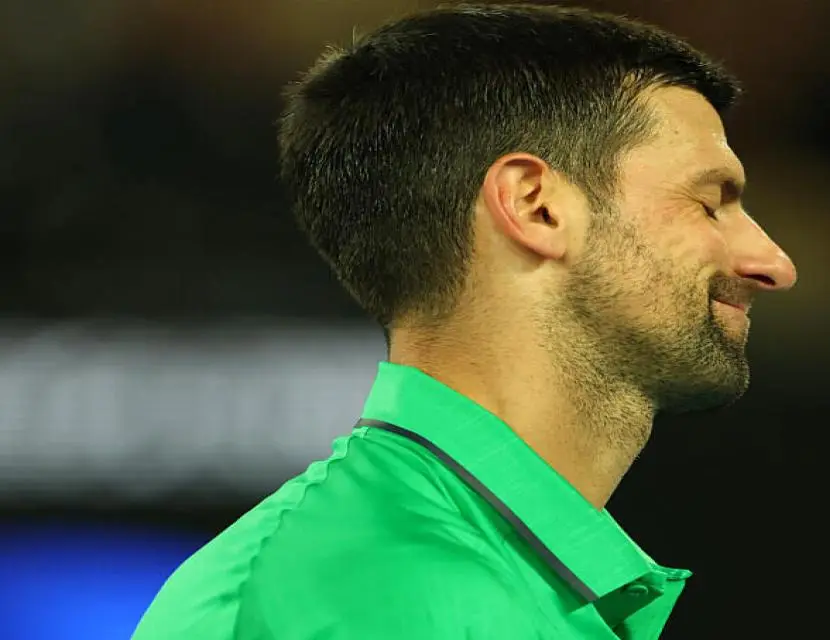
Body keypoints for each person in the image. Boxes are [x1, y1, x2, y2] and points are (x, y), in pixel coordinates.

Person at [133, 3, 796, 638]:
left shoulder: (433, 577)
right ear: (536, 206)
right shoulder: (363, 597)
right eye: (711, 203)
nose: (773, 263)